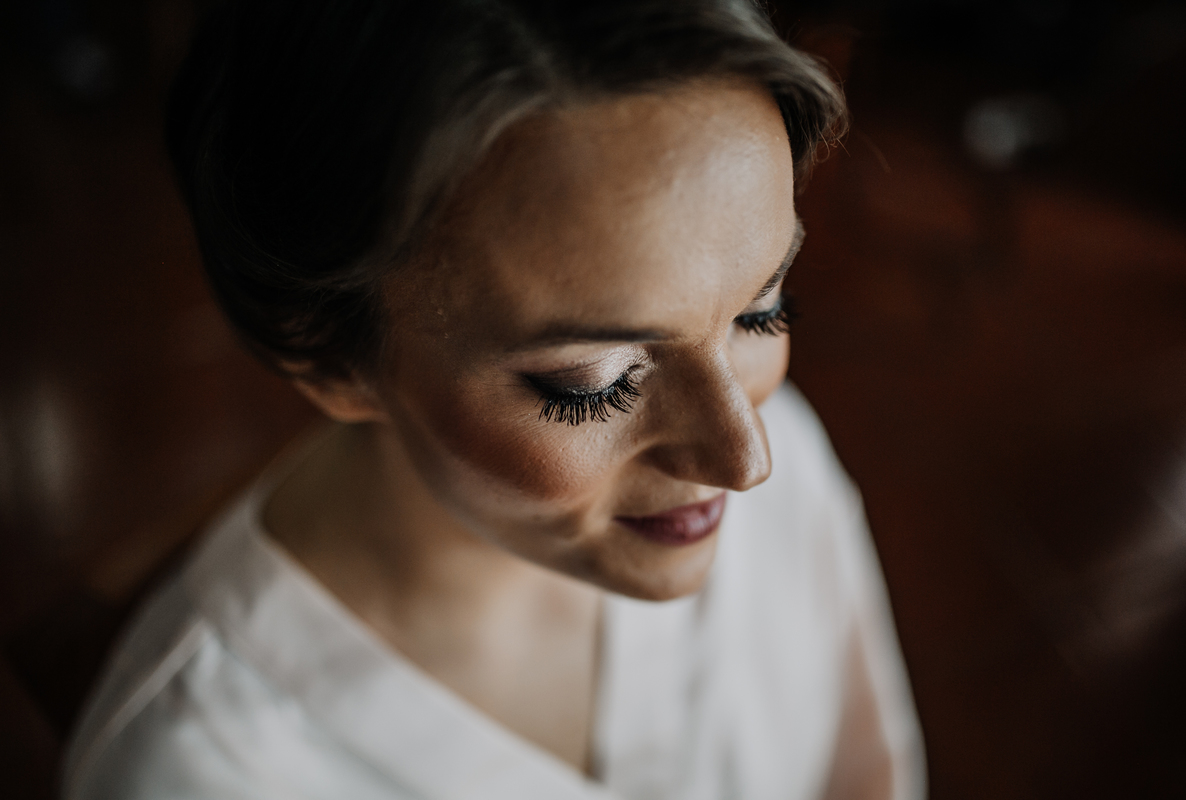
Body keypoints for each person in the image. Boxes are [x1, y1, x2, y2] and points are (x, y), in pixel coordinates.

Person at [63, 1, 925, 797]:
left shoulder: (778, 451)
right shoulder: (204, 770)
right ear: (332, 360)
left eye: (761, 308)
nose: (746, 458)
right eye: (591, 381)